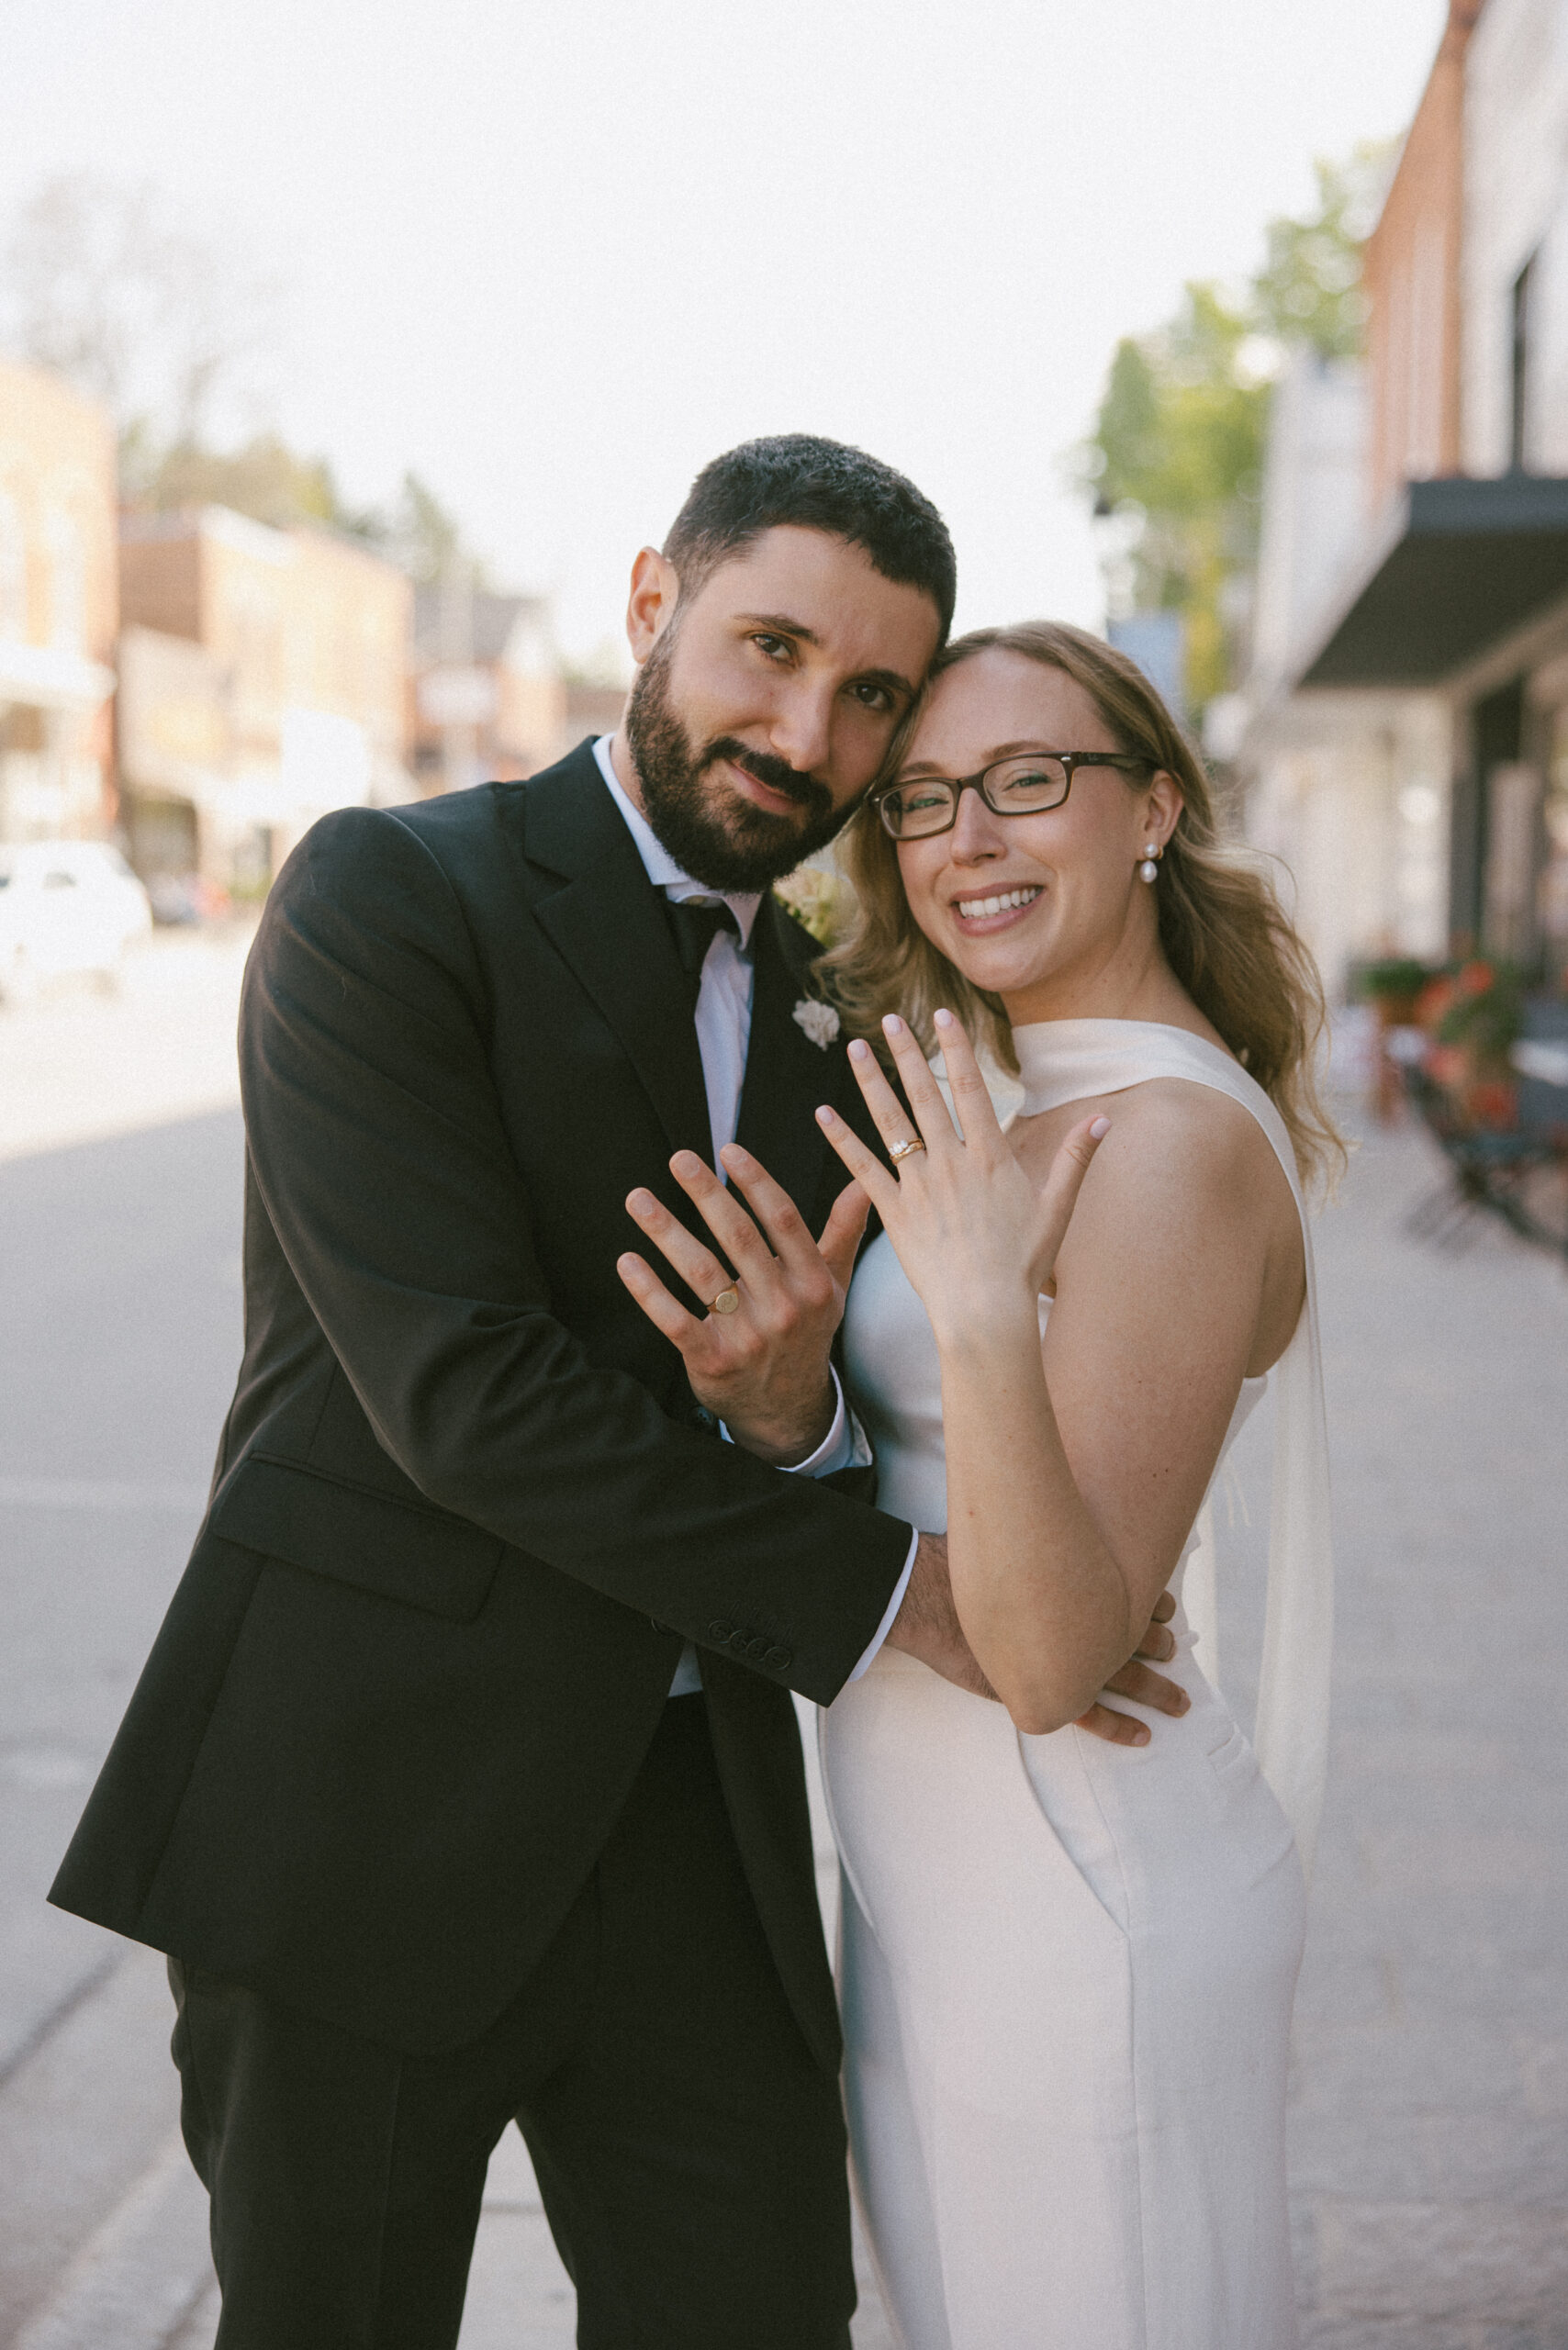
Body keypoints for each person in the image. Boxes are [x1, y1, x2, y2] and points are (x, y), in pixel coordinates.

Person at [49, 447, 1184, 2349]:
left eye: (868, 694)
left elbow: (809, 1389)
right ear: (651, 603)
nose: (803, 728)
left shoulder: (844, 1012)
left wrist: (799, 1424)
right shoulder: (388, 895)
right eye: (767, 646)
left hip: (692, 1832)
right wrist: (909, 1595)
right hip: (361, 1810)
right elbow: (461, 1395)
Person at [627, 620, 1338, 2348]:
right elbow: (924, 1489)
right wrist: (793, 1413)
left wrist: (972, 1306)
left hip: (1079, 1891)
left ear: (1153, 806)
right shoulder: (1005, 1091)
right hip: (926, 1877)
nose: (969, 841)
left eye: (1031, 783)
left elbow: (1050, 1657)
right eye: (929, 799)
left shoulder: (1169, 1144)